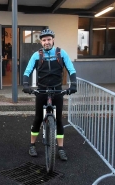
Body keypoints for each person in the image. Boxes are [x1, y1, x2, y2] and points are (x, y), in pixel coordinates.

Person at [22, 28, 77, 161]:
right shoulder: (37, 55)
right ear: (41, 42)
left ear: (53, 40)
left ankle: (61, 148)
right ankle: (32, 145)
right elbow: (27, 70)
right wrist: (25, 84)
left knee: (58, 120)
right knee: (38, 118)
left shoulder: (61, 53)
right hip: (42, 90)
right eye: (44, 40)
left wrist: (73, 84)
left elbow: (71, 69)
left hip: (57, 89)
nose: (46, 42)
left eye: (49, 39)